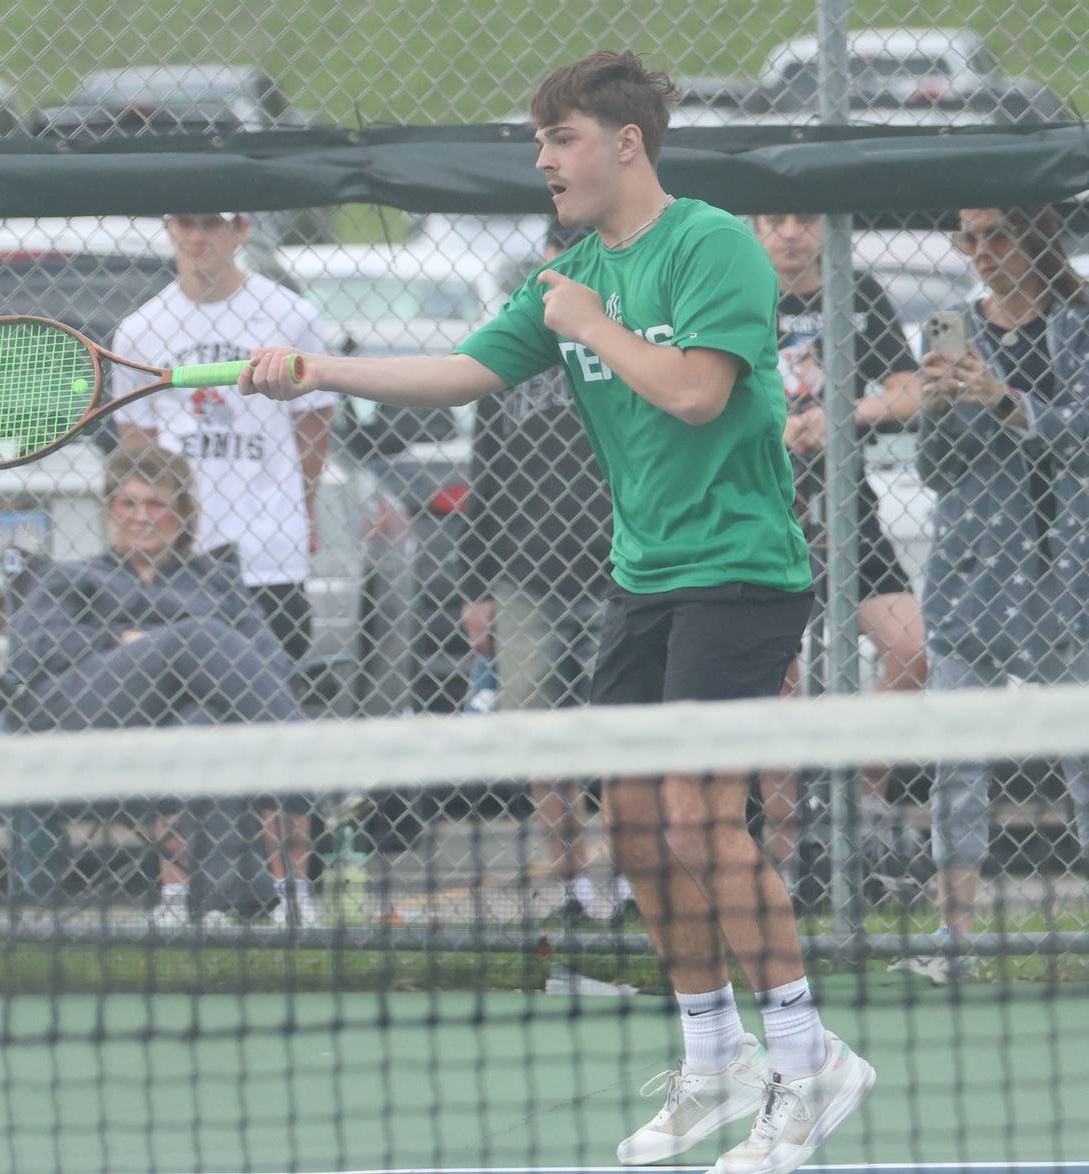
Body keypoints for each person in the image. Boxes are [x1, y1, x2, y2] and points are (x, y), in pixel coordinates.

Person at [239, 49, 873, 1174]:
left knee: (697, 816)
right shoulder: (566, 279)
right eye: (539, 143)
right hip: (646, 579)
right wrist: (320, 367)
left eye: (561, 138)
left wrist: (585, 321)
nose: (542, 160)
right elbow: (456, 371)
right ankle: (713, 1053)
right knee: (632, 820)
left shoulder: (711, 242)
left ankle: (808, 1053)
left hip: (744, 571)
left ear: (627, 143)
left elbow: (695, 393)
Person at [114, 210, 338, 923]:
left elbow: (313, 429)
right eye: (185, 223)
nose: (198, 237)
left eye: (213, 223)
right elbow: (138, 456)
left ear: (242, 228)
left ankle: (292, 891)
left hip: (266, 567)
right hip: (181, 576)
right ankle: (179, 893)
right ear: (168, 229)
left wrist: (292, 518)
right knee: (175, 731)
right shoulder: (140, 330)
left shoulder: (291, 316)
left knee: (274, 730)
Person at [9, 443, 318, 927]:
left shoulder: (215, 584)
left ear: (182, 513)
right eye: (128, 503)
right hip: (86, 718)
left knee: (201, 726)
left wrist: (164, 652)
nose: (140, 517)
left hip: (183, 729)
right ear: (110, 510)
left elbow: (268, 661)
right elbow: (33, 651)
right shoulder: (72, 578)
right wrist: (125, 641)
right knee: (195, 640)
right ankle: (315, 766)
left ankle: (228, 904)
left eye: (156, 504)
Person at [910, 204, 1089, 970]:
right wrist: (940, 408)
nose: (981, 253)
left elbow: (1079, 439)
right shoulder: (950, 327)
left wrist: (1004, 399)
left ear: (1039, 238)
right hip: (973, 575)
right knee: (957, 758)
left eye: (998, 236)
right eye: (968, 238)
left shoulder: (1079, 326)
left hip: (1069, 577)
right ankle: (955, 936)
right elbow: (935, 471)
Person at [459, 216, 633, 926]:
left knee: (620, 740)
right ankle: (568, 886)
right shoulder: (512, 358)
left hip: (621, 576)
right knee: (542, 738)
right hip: (526, 579)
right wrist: (476, 590)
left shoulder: (627, 348)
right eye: (552, 273)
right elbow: (485, 479)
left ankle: (621, 887)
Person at [750, 212, 928, 885]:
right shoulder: (734, 291)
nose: (791, 234)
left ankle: (862, 810)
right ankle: (788, 855)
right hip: (763, 510)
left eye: (804, 220)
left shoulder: (857, 292)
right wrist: (775, 427)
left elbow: (909, 394)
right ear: (755, 227)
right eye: (776, 221)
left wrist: (842, 415)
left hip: (850, 512)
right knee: (780, 679)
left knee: (911, 646)